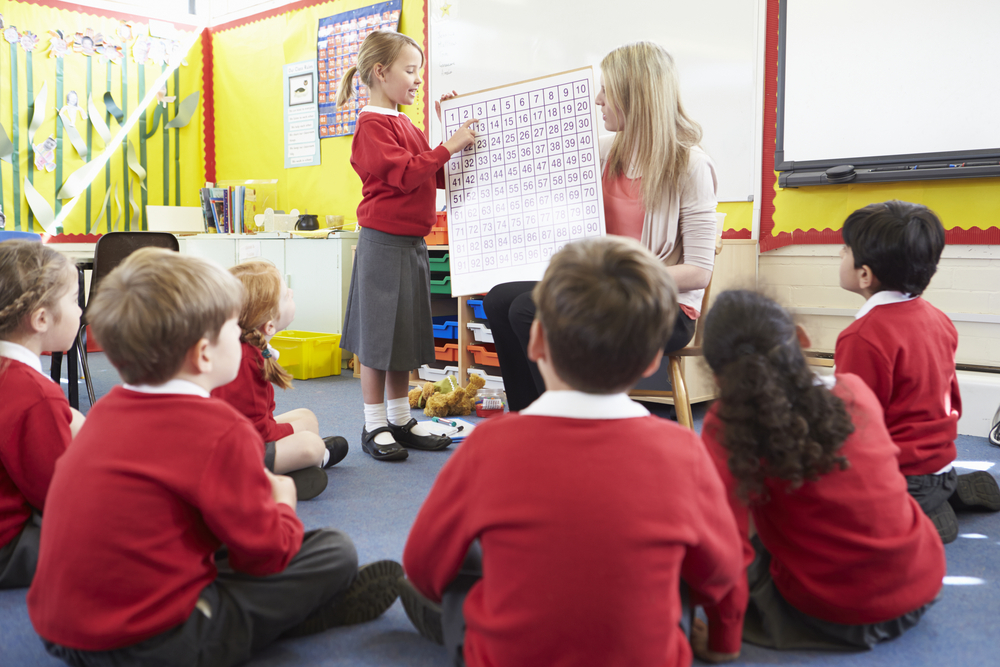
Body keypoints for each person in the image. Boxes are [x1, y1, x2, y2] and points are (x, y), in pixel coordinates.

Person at [27, 249, 402, 667]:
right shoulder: (222, 431)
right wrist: (280, 502)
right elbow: (268, 554)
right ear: (205, 353)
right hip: (151, 643)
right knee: (335, 551)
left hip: (58, 629)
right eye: (233, 327)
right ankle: (287, 618)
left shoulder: (105, 413)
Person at [399, 237, 743, 667]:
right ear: (653, 357)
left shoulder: (489, 445)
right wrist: (725, 639)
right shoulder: (683, 451)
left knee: (466, 561)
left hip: (507, 655)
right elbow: (722, 572)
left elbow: (423, 566)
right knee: (676, 562)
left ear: (536, 339)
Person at [695, 290, 945, 661]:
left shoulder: (725, 425)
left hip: (833, 615)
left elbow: (726, 544)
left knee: (704, 544)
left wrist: (721, 643)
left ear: (717, 377)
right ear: (801, 338)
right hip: (921, 585)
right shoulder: (854, 390)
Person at [484, 41, 719, 411]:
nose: (597, 100)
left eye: (606, 91)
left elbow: (698, 273)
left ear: (634, 96)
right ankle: (529, 419)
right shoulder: (605, 151)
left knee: (530, 308)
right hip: (604, 290)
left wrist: (615, 279)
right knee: (499, 298)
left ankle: (562, 420)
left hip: (662, 306)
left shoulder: (690, 165)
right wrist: (462, 121)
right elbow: (524, 151)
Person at [336, 30, 477, 461]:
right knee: (379, 340)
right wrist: (447, 145)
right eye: (411, 70)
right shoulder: (371, 125)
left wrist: (446, 134)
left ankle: (399, 418)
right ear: (381, 72)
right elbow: (406, 172)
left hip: (411, 245)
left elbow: (432, 173)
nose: (418, 79)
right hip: (383, 245)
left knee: (404, 338)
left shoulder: (404, 123)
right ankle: (374, 423)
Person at [834, 200, 1000, 543]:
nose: (839, 253)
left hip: (902, 474)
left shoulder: (862, 337)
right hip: (939, 458)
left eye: (845, 249)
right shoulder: (937, 318)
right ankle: (949, 488)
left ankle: (922, 512)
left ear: (864, 274)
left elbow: (854, 425)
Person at [211, 259, 348, 500]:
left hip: (240, 437)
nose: (292, 292)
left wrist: (293, 428)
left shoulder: (251, 347)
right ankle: (290, 469)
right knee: (311, 444)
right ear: (270, 325)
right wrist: (292, 432)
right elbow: (259, 433)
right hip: (231, 454)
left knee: (307, 417)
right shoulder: (244, 360)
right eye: (286, 295)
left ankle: (295, 465)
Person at [0, 240, 84, 588]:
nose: (80, 312)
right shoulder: (36, 393)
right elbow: (57, 497)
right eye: (75, 300)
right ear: (41, 319)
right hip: (10, 546)